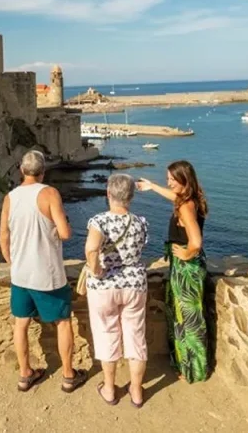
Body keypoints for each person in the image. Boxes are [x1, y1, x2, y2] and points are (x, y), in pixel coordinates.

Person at [0, 150, 88, 393]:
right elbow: (65, 233)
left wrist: (12, 262)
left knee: (21, 324)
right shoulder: (49, 193)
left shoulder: (10, 197)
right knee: (62, 322)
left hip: (20, 275)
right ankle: (69, 375)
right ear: (43, 171)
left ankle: (25, 374)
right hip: (47, 273)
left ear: (21, 170)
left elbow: (3, 236)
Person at [137, 160, 210, 383]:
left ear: (184, 179)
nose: (168, 182)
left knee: (189, 318)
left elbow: (196, 242)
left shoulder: (186, 206)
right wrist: (152, 186)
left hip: (187, 270)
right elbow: (175, 198)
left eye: (171, 179)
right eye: (167, 178)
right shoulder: (188, 198)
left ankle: (195, 371)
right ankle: (189, 366)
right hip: (186, 268)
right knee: (186, 316)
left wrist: (186, 254)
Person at [85, 173, 150, 407]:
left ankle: (110, 390)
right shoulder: (141, 222)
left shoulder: (99, 221)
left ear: (108, 194)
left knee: (107, 335)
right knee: (136, 338)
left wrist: (96, 271)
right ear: (131, 197)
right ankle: (136, 391)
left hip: (105, 288)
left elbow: (92, 250)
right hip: (135, 284)